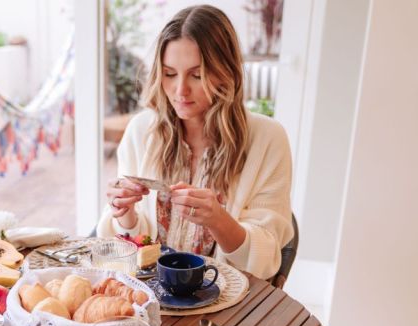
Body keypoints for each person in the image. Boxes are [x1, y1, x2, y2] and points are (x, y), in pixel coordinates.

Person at [96, 5, 293, 280]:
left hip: (229, 302)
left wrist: (218, 219)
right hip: (149, 294)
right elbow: (127, 244)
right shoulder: (141, 131)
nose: (180, 90)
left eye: (197, 75)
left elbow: (267, 260)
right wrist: (124, 213)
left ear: (226, 72)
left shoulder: (268, 140)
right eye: (169, 73)